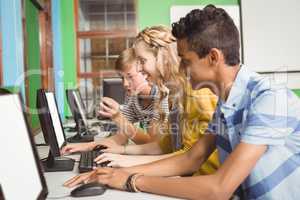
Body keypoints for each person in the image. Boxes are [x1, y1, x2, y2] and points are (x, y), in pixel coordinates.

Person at [64, 5, 300, 200]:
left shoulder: (270, 98)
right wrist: (117, 172)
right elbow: (191, 158)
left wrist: (130, 180)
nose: (182, 70)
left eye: (186, 61)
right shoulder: (227, 100)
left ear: (213, 57)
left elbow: (220, 188)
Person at [92, 26, 219, 175]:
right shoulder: (174, 93)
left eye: (142, 61)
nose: (139, 69)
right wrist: (121, 151)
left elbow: (189, 157)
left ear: (163, 58)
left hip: (199, 179)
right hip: (184, 174)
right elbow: (165, 146)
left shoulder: (196, 93)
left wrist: (129, 164)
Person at [61, 48, 169, 155]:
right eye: (122, 78)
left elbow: (154, 145)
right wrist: (87, 146)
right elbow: (122, 137)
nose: (125, 84)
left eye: (130, 76)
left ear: (145, 72)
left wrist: (118, 117)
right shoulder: (132, 96)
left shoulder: (162, 96)